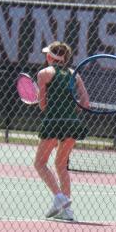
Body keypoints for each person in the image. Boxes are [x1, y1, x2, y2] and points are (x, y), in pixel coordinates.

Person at [34, 41, 90, 221]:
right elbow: (85, 103)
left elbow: (43, 105)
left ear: (50, 57)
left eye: (47, 54)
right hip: (72, 123)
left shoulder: (44, 74)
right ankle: (67, 210)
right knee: (61, 165)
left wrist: (48, 103)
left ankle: (59, 197)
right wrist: (70, 110)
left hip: (54, 122)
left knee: (40, 164)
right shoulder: (75, 75)